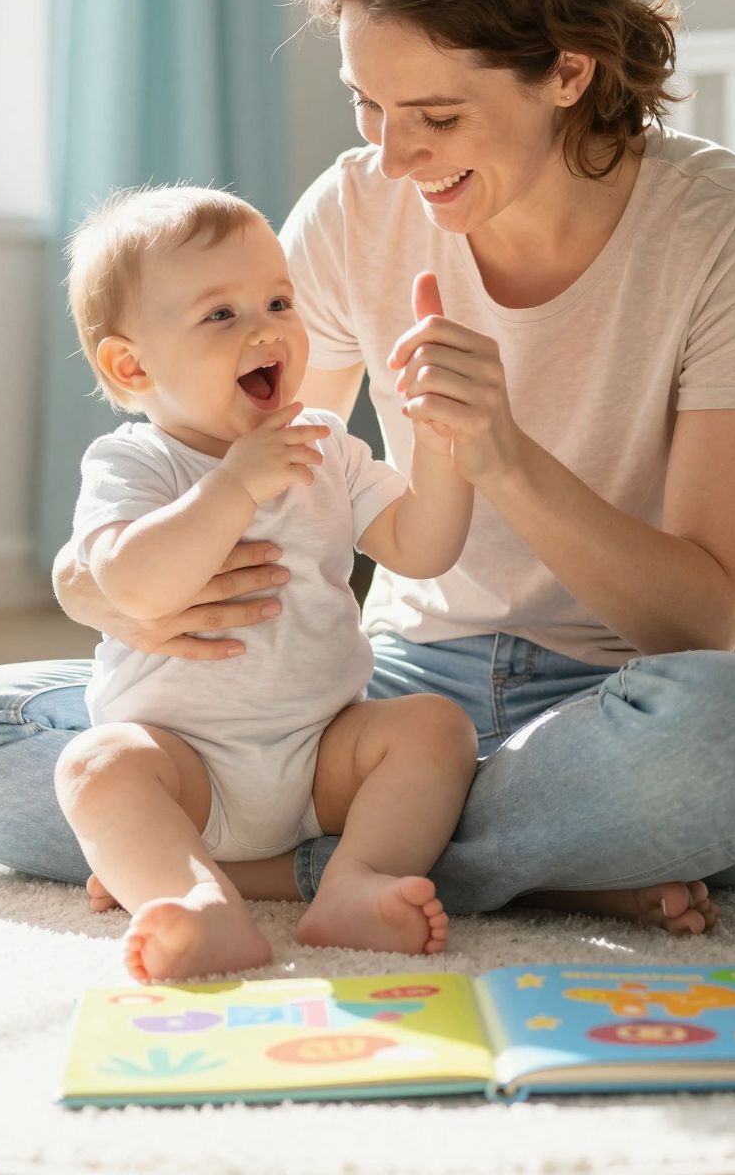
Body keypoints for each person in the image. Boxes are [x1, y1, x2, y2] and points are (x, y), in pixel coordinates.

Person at [0, 0, 735, 936]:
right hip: (384, 695)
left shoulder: (729, 230)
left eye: (435, 117)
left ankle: (271, 868)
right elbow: (254, 446)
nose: (391, 159)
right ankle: (485, 864)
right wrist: (98, 583)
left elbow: (700, 617)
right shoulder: (355, 207)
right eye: (366, 106)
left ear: (569, 73)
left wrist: (500, 456)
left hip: (623, 697)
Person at [54, 186, 478, 981]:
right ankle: (198, 900)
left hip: (323, 754)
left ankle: (355, 880)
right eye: (221, 314)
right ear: (132, 365)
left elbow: (423, 549)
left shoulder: (326, 445)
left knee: (436, 730)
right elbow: (132, 585)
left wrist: (441, 441)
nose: (265, 329)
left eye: (279, 302)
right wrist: (233, 486)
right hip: (185, 768)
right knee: (94, 768)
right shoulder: (134, 463)